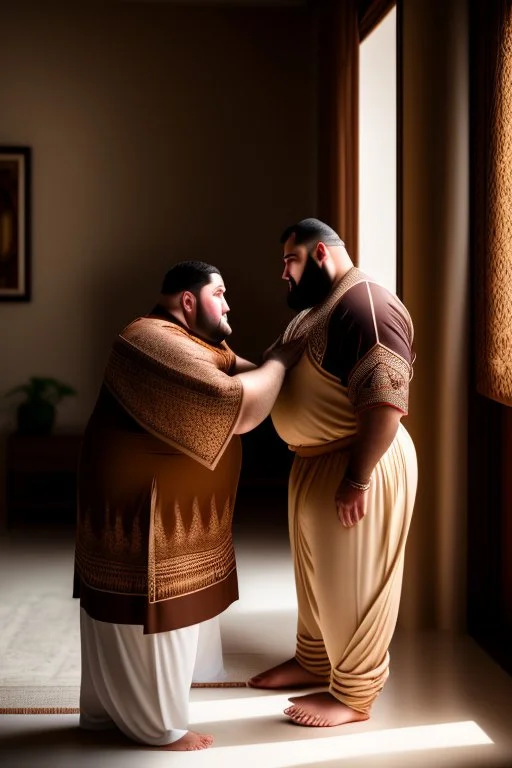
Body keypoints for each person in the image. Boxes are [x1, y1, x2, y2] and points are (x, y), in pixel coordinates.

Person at [73, 260, 302, 751]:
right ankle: (157, 728)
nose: (229, 303)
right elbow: (242, 407)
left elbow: (241, 369)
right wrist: (281, 362)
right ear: (188, 301)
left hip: (149, 507)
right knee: (151, 616)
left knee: (154, 620)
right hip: (141, 515)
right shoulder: (153, 341)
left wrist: (273, 363)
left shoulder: (192, 341)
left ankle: (107, 713)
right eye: (220, 293)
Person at [248, 218, 418, 728]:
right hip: (315, 462)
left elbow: (386, 403)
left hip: (357, 461)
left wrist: (358, 478)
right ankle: (314, 660)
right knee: (314, 582)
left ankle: (354, 694)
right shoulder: (318, 310)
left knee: (351, 586)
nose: (284, 273)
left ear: (320, 253)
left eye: (290, 260)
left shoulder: (366, 305)